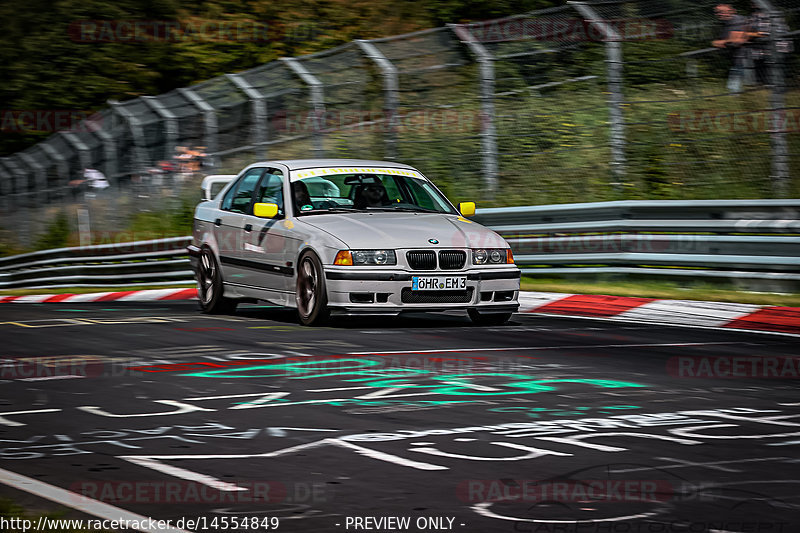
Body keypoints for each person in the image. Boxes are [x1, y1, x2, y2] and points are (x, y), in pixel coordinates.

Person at [712, 4, 749, 93]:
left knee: (734, 88)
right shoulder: (727, 23)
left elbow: (737, 40)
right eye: (717, 12)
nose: (719, 14)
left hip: (745, 58)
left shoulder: (737, 20)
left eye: (722, 12)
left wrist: (722, 42)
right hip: (738, 59)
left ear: (731, 11)